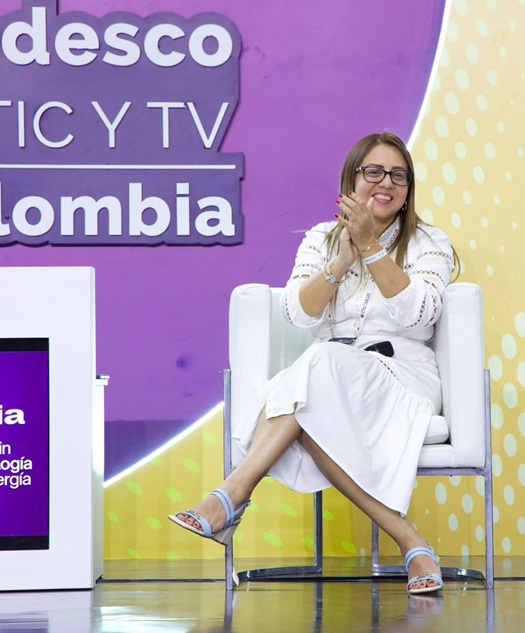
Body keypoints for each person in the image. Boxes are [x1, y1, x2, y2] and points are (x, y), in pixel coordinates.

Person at [168, 131, 457, 594]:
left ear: (408, 190)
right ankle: (410, 541)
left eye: (398, 175)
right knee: (315, 380)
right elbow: (300, 314)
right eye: (374, 172)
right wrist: (341, 261)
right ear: (351, 181)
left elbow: (418, 313)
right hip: (331, 376)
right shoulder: (321, 239)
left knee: (312, 371)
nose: (386, 183)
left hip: (401, 376)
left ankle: (233, 494)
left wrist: (373, 249)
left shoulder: (429, 242)